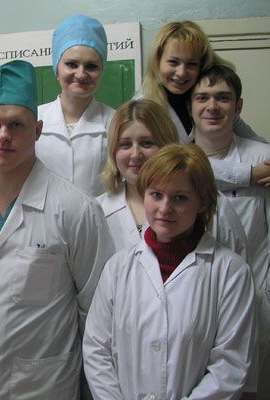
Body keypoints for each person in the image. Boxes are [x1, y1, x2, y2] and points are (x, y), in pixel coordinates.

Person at [0, 60, 114, 399]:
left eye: (16, 125)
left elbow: (98, 315)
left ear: (37, 130)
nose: (3, 136)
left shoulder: (77, 210)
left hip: (41, 387)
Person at [83, 143, 257, 399]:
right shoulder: (118, 268)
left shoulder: (231, 273)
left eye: (179, 198)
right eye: (156, 195)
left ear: (202, 202)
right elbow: (97, 349)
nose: (165, 208)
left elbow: (230, 366)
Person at [191, 64, 270, 397]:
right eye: (202, 98)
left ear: (238, 106)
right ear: (190, 106)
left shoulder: (264, 158)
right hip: (193, 303)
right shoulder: (175, 159)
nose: (212, 106)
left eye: (223, 98)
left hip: (256, 302)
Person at [98, 99, 247, 261]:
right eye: (125, 145)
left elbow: (237, 268)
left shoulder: (214, 205)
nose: (135, 155)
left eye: (147, 143)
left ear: (167, 145)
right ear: (113, 151)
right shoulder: (99, 210)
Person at [140, 20, 270, 189]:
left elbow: (254, 140)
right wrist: (250, 174)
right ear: (157, 61)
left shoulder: (205, 94)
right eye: (173, 62)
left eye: (191, 64)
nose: (181, 72)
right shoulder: (143, 109)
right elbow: (177, 167)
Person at [36, 14, 115, 196]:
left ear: (102, 70)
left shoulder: (117, 122)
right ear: (57, 68)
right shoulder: (34, 118)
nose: (81, 74)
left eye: (91, 66)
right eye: (71, 64)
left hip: (99, 214)